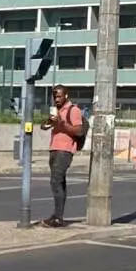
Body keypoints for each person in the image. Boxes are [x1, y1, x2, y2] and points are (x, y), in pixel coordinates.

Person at [38, 84, 85, 228]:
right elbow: (49, 126)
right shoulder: (57, 111)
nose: (56, 99)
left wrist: (61, 124)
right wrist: (47, 123)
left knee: (55, 181)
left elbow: (79, 131)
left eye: (59, 96)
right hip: (54, 149)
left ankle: (58, 217)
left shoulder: (73, 110)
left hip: (65, 151)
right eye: (54, 96)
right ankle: (58, 216)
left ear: (66, 95)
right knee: (60, 182)